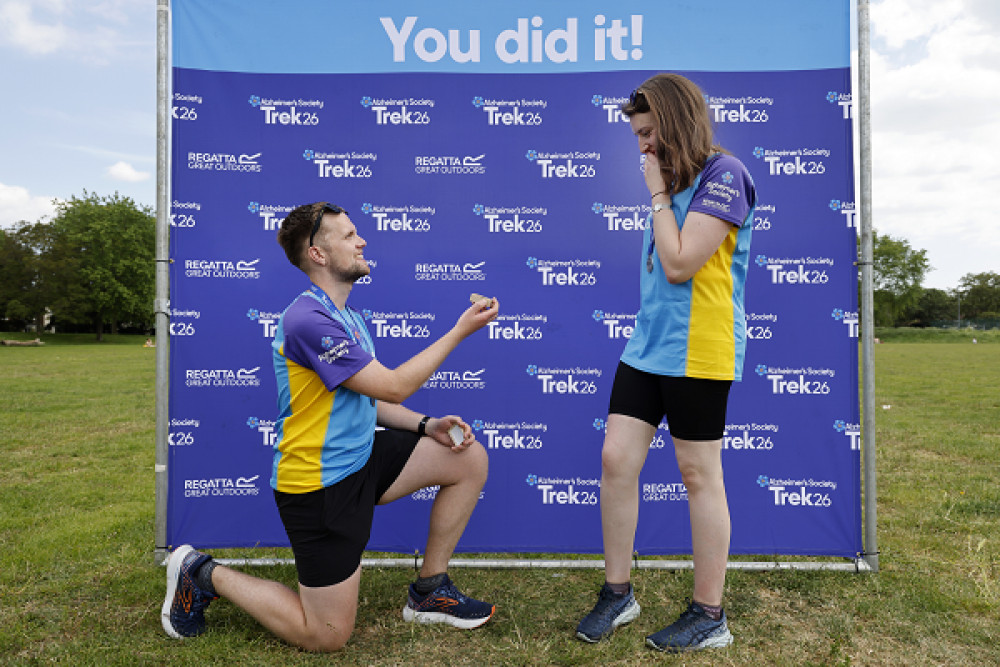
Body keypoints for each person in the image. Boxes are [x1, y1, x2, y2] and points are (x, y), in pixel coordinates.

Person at [161, 202, 500, 651]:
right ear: (317, 254)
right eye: (348, 236)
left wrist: (428, 425)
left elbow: (369, 400)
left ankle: (429, 591)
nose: (362, 242)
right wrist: (459, 331)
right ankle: (201, 572)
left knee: (467, 457)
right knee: (325, 637)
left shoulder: (350, 318)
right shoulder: (306, 319)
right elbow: (395, 386)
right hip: (318, 486)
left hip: (361, 460)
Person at [575, 74, 756, 652]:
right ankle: (618, 593)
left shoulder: (724, 175)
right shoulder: (674, 180)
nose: (642, 147)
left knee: (699, 475)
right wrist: (660, 187)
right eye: (636, 135)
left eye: (649, 133)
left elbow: (679, 264)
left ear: (677, 122)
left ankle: (709, 615)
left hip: (700, 350)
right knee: (615, 459)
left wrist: (655, 194)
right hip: (648, 346)